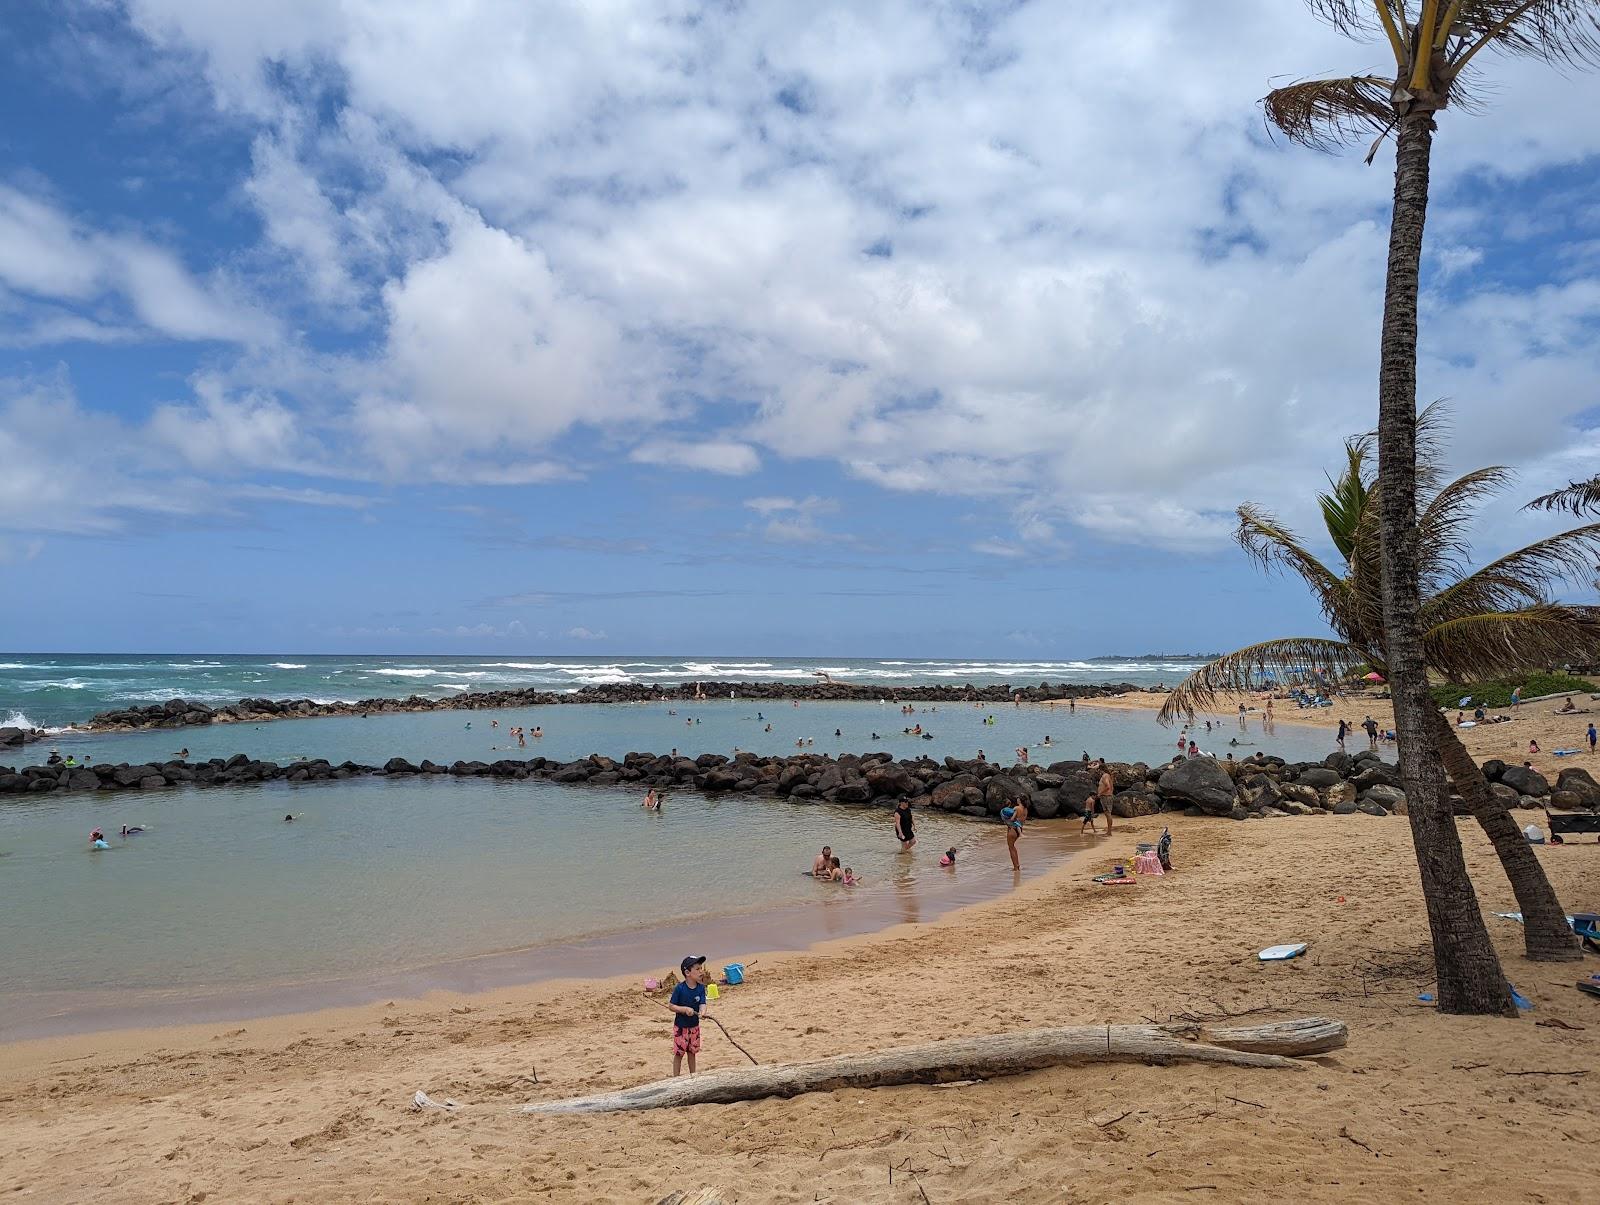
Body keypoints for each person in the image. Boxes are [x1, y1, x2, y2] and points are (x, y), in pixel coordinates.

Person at [669, 955, 709, 1076]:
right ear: (687, 972)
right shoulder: (680, 989)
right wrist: (684, 1009)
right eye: (697, 969)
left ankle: (693, 1076)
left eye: (701, 968)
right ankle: (676, 1078)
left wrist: (703, 1012)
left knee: (692, 1052)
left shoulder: (701, 988)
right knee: (679, 1053)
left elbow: (703, 1003)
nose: (701, 971)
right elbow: (671, 1006)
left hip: (694, 1027)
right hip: (681, 1027)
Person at [1003, 797, 1028, 871]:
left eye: (1018, 798)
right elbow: (1022, 820)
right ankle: (1017, 865)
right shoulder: (1026, 810)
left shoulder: (1016, 808)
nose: (1017, 799)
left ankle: (1016, 867)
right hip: (1019, 828)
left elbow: (1012, 818)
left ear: (1019, 800)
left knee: (1011, 847)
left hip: (1012, 829)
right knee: (1013, 847)